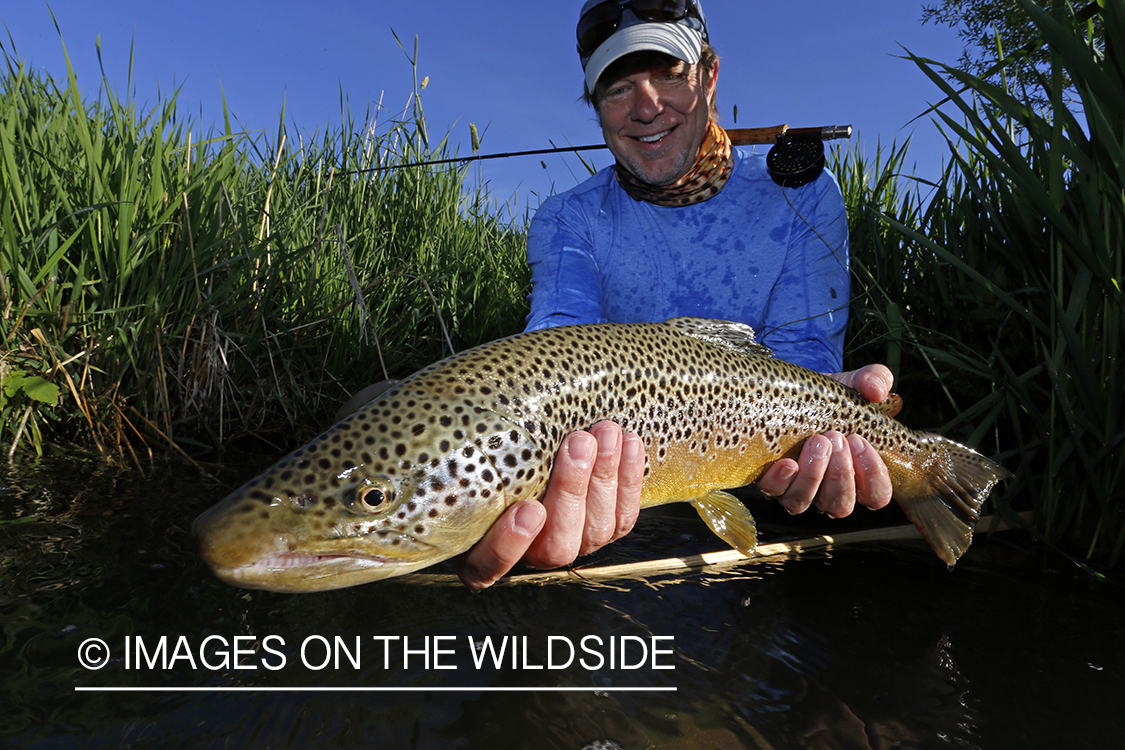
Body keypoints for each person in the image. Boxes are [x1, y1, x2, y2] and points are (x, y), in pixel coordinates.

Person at [457, 0, 894, 590]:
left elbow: (805, 361)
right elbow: (551, 351)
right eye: (617, 89)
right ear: (597, 109)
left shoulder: (802, 194)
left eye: (668, 74)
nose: (646, 107)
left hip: (766, 476)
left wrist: (831, 424)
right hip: (616, 498)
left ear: (709, 77)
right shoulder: (569, 218)